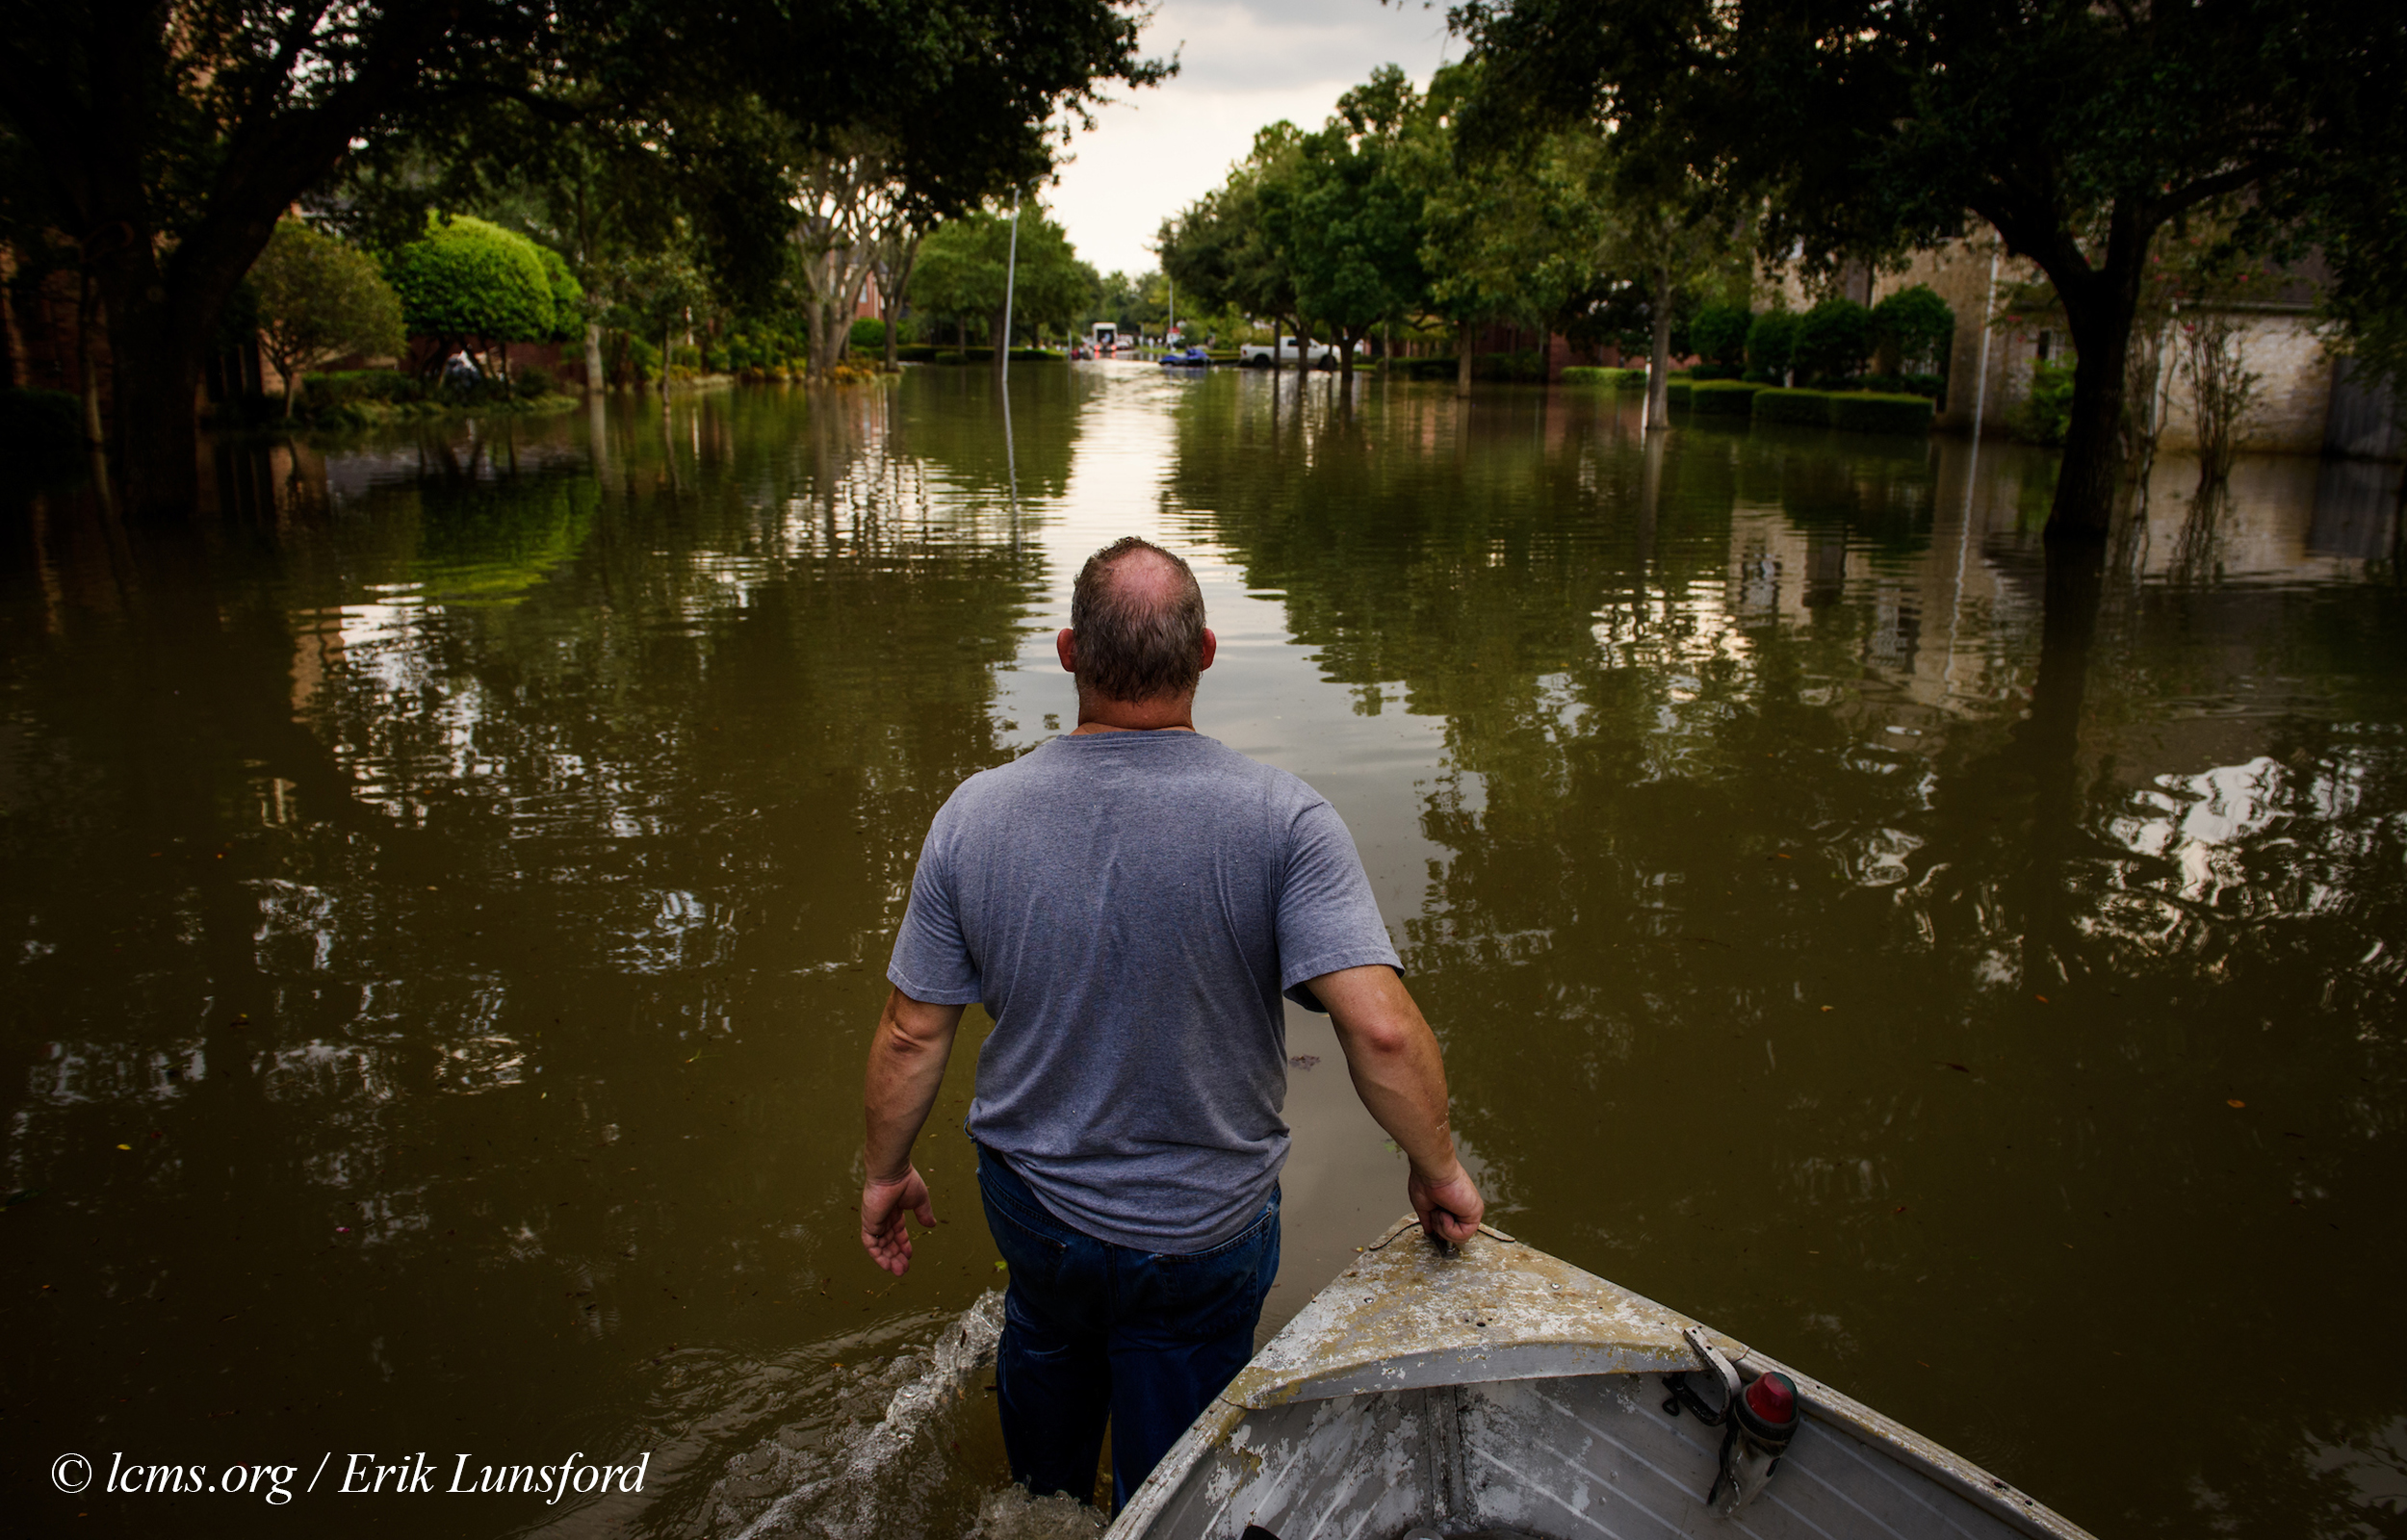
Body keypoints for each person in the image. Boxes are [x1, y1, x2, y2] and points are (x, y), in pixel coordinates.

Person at [858, 536, 1484, 1511]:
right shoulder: (1285, 822)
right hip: (1202, 1234)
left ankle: (1040, 1500)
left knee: (1046, 1417)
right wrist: (1437, 1170)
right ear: (1204, 654)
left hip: (1038, 1212)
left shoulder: (973, 817)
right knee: (1175, 1486)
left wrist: (885, 1172)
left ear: (1069, 652)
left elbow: (909, 1034)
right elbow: (1385, 1032)